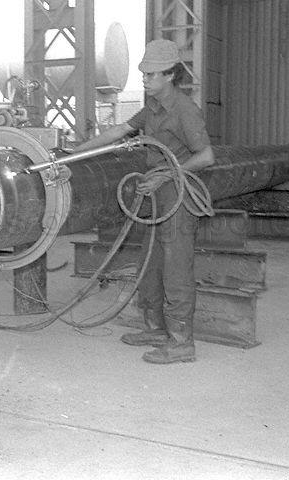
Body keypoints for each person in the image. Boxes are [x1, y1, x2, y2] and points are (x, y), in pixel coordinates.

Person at [75, 39, 214, 364]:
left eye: (151, 74)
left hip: (178, 195)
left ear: (170, 75)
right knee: (150, 265)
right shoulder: (151, 106)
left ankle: (181, 343)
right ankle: (155, 328)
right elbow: (119, 131)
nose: (144, 79)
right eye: (144, 73)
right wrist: (75, 152)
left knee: (176, 269)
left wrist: (166, 174)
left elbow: (206, 156)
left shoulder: (184, 110)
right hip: (153, 193)